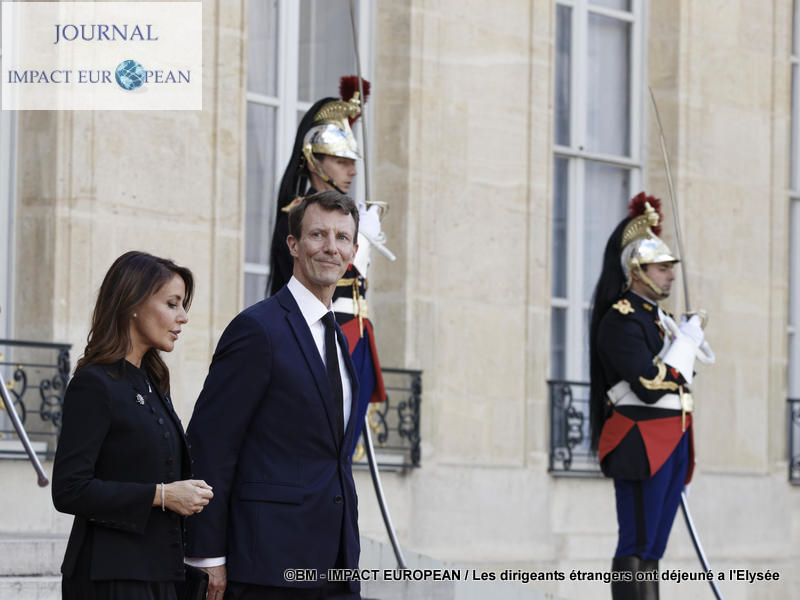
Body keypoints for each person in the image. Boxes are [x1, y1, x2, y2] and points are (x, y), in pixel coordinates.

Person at [185, 190, 362, 600]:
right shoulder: (257, 329)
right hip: (267, 567)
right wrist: (207, 554)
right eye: (318, 235)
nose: (330, 248)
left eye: (342, 238)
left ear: (353, 250)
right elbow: (211, 442)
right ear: (294, 245)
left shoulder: (337, 336)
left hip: (336, 566)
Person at [52, 250, 214, 600]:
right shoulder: (94, 384)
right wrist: (163, 495)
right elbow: (69, 489)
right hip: (110, 578)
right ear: (134, 304)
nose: (183, 317)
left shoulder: (153, 381)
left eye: (183, 305)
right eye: (172, 304)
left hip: (160, 575)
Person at [588, 193, 707, 600]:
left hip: (671, 438)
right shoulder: (621, 320)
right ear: (637, 272)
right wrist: (684, 347)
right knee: (635, 545)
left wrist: (686, 341)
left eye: (671, 268)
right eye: (662, 268)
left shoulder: (660, 322)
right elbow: (649, 385)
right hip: (640, 439)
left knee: (654, 549)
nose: (671, 276)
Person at [268, 77, 386, 454]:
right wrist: (362, 242)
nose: (351, 171)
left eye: (352, 162)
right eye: (341, 161)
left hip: (354, 333)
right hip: (320, 336)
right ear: (314, 160)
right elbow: (330, 276)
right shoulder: (298, 215)